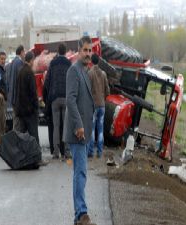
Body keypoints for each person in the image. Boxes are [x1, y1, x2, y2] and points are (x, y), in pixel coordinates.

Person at [64, 36, 96, 225]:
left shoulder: (84, 71)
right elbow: (70, 99)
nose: (88, 53)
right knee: (80, 172)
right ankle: (82, 214)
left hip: (84, 132)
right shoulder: (73, 71)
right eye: (85, 50)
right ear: (78, 51)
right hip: (78, 132)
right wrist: (78, 126)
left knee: (81, 172)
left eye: (90, 50)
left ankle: (79, 215)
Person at [45, 43, 71, 159]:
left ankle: (56, 152)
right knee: (66, 126)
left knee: (56, 126)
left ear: (58, 51)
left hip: (54, 98)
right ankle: (66, 151)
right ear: (65, 52)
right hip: (66, 97)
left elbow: (47, 81)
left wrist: (48, 95)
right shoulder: (69, 64)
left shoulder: (52, 63)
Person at [87, 54, 110, 158]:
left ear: (91, 61)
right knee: (100, 129)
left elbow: (87, 90)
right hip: (102, 106)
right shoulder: (104, 74)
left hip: (93, 106)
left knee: (92, 129)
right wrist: (103, 98)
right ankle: (100, 152)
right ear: (99, 62)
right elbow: (107, 91)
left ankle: (91, 151)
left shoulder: (90, 73)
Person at [14, 51, 39, 144]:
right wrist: (36, 106)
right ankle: (36, 156)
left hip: (21, 110)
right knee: (34, 135)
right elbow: (33, 92)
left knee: (22, 136)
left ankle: (21, 155)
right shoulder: (29, 72)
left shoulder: (20, 71)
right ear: (31, 60)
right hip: (29, 110)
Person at [6, 45, 25, 131]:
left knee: (15, 120)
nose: (24, 54)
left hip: (13, 98)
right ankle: (16, 141)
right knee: (18, 122)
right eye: (24, 52)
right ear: (21, 52)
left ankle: (15, 140)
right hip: (18, 98)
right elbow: (21, 80)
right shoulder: (19, 63)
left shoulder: (12, 62)